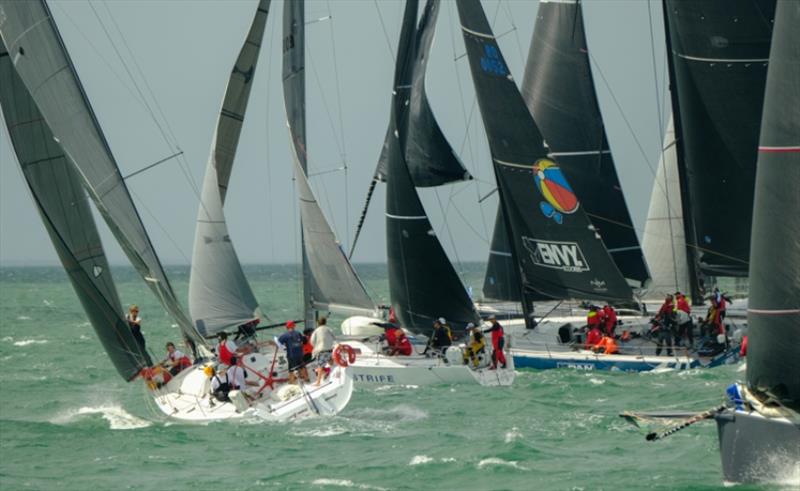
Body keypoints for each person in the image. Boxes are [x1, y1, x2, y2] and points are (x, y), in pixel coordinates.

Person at [310, 317, 335, 386]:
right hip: (329, 350)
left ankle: (318, 382)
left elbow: (312, 341)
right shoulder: (329, 329)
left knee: (319, 366)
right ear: (325, 322)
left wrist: (316, 346)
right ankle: (332, 374)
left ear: (318, 323)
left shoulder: (316, 331)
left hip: (321, 351)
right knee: (330, 361)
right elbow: (334, 338)